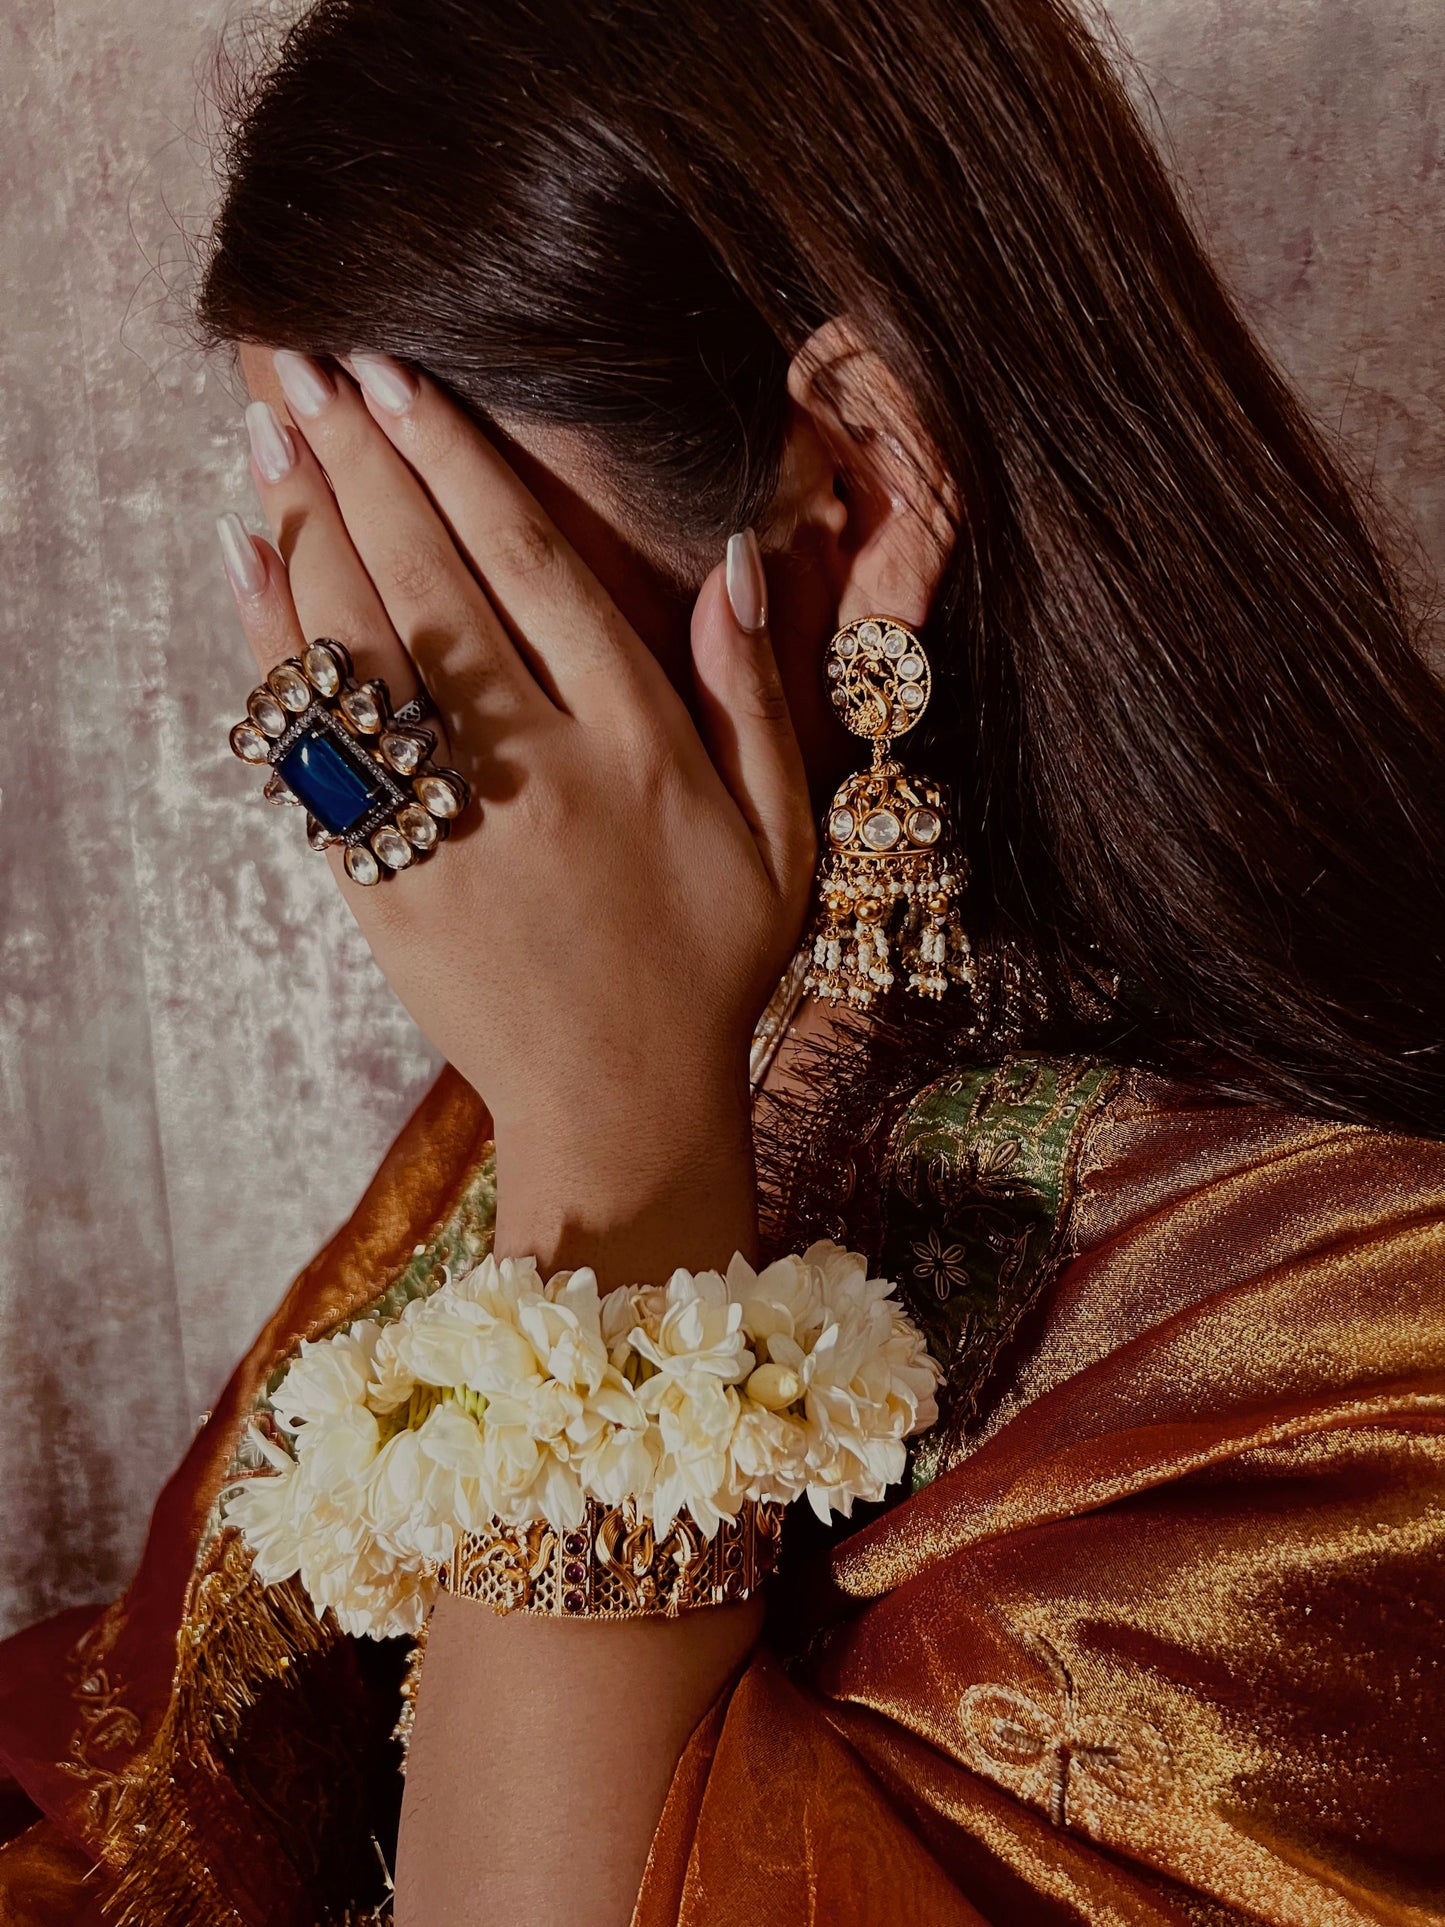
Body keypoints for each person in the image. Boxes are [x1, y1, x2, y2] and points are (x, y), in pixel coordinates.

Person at [2, 0, 1443, 1920]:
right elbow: (142, 1781)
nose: (327, 680)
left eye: (418, 532)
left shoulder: (1352, 1355)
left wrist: (613, 1153)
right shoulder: (632, 1060)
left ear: (844, 487)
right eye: (294, 506)